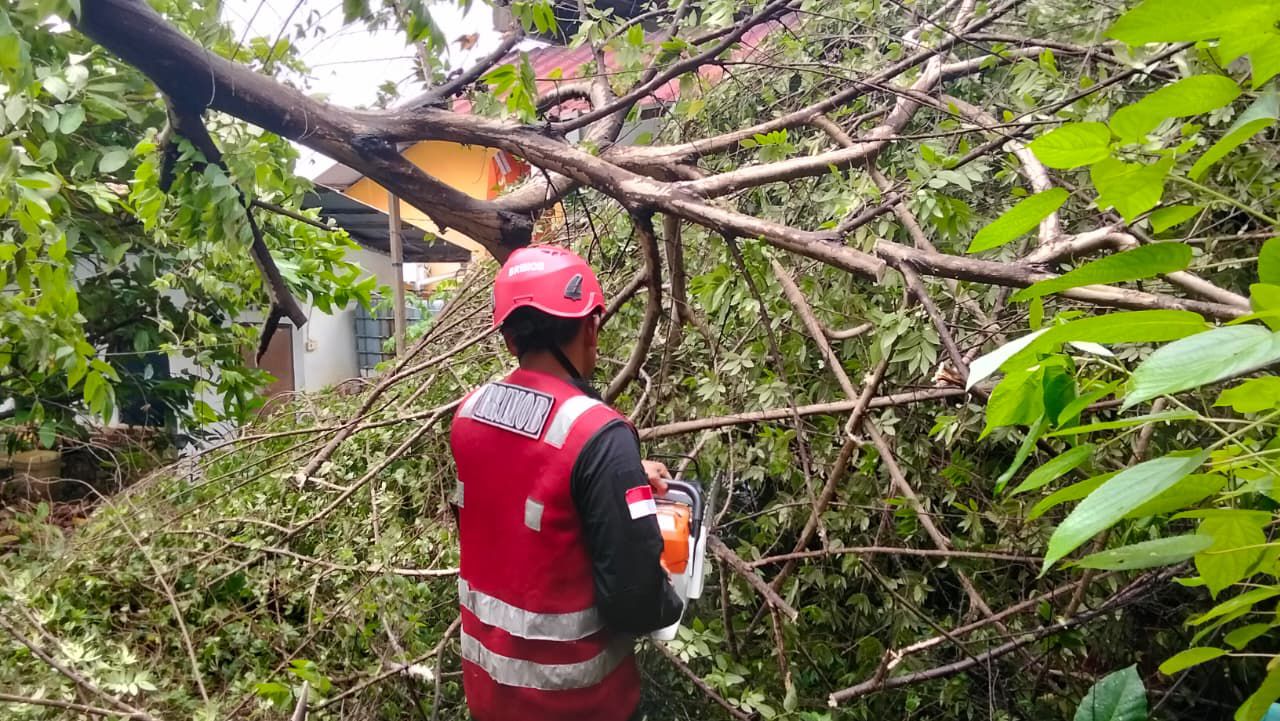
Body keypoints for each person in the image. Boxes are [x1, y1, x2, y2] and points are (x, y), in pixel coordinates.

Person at [448, 245, 685, 721]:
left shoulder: (469, 414)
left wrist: (624, 479)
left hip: (489, 695)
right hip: (578, 704)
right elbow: (634, 600)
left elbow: (523, 497)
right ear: (591, 327)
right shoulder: (600, 436)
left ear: (511, 338)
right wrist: (672, 601)